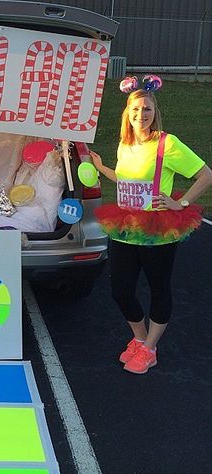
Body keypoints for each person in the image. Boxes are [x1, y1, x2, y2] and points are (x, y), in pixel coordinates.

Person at [90, 75, 212, 375]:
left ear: (154, 112)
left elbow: (206, 174)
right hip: (127, 227)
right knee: (121, 290)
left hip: (158, 230)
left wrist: (179, 203)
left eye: (146, 110)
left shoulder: (167, 144)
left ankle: (150, 348)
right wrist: (102, 168)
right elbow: (127, 180)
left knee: (159, 288)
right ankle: (141, 339)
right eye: (135, 110)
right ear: (127, 114)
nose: (141, 115)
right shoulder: (125, 144)